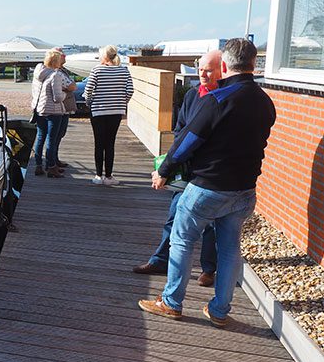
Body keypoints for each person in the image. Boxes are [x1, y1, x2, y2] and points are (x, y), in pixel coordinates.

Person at [138, 38, 276, 327]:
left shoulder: (218, 100)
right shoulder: (265, 101)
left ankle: (171, 302)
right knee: (229, 249)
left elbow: (187, 141)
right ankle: (219, 310)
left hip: (209, 187)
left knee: (181, 240)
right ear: (254, 64)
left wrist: (164, 170)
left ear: (224, 65)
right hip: (245, 190)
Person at [132, 50, 222, 287]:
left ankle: (208, 269)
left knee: (210, 224)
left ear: (223, 70)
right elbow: (180, 128)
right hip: (186, 167)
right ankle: (161, 259)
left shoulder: (224, 99)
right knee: (173, 216)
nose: (203, 73)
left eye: (209, 69)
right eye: (200, 68)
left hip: (209, 173)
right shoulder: (192, 95)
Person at [84, 45, 133, 186]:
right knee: (110, 143)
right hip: (116, 112)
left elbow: (88, 90)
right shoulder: (124, 70)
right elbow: (130, 91)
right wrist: (121, 103)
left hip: (98, 111)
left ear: (104, 57)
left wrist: (90, 103)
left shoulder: (97, 70)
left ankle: (98, 176)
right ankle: (109, 176)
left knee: (99, 143)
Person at [31, 49, 69, 178]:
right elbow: (57, 97)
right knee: (51, 140)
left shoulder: (40, 72)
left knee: (41, 137)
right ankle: (51, 167)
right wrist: (65, 94)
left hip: (40, 109)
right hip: (53, 110)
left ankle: (38, 165)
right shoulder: (55, 74)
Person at [54, 51, 78, 168]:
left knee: (58, 135)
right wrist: (71, 85)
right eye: (62, 54)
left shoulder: (60, 70)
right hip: (61, 108)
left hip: (63, 108)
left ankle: (54, 159)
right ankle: (53, 161)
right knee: (57, 135)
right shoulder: (57, 72)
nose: (65, 56)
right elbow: (72, 86)